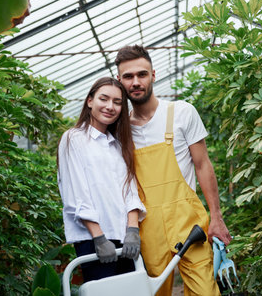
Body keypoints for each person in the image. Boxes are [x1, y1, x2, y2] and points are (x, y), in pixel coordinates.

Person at [115, 45, 232, 296]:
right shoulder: (119, 128)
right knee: (154, 292)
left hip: (189, 224)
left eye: (142, 74)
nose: (136, 82)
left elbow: (202, 165)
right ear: (119, 81)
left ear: (153, 75)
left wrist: (216, 217)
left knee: (205, 291)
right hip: (148, 230)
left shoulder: (181, 112)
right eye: (128, 77)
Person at [57, 77, 146, 282]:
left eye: (117, 102)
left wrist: (132, 229)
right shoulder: (74, 139)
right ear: (90, 101)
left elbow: (130, 189)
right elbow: (76, 194)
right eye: (103, 99)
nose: (110, 107)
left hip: (125, 239)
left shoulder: (118, 145)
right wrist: (98, 236)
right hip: (94, 240)